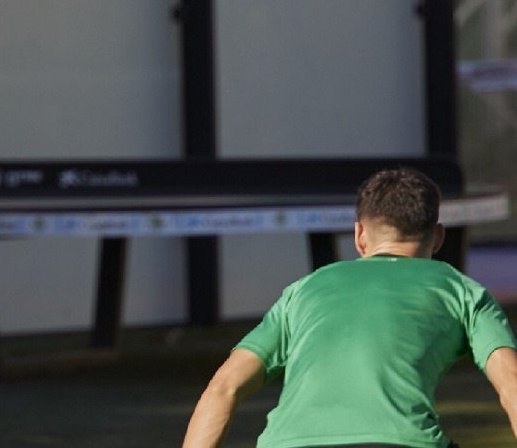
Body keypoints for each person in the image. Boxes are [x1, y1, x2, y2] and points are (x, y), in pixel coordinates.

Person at [182, 168, 517, 448]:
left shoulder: (304, 290)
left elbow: (224, 387)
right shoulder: (462, 290)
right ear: (439, 237)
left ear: (359, 235)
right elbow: (511, 382)